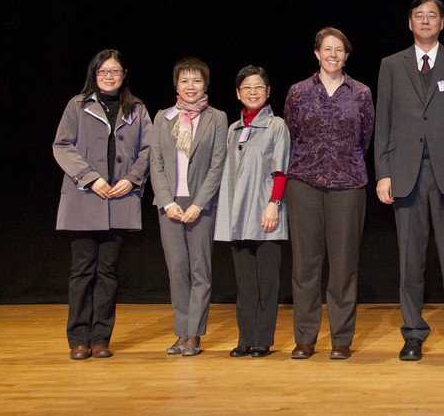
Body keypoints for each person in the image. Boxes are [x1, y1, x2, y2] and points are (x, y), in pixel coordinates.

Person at [375, 0, 444, 362]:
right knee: (410, 261)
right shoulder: (391, 65)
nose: (425, 21)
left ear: (442, 23)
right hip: (406, 175)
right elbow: (384, 124)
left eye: (432, 15)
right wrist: (383, 172)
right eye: (418, 16)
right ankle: (413, 333)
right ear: (409, 23)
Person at [53, 49, 151, 360]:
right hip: (86, 197)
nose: (109, 76)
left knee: (108, 272)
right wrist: (90, 177)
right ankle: (79, 338)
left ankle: (101, 338)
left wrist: (133, 178)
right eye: (102, 72)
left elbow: (149, 149)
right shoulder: (78, 105)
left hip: (119, 198)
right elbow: (62, 145)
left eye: (115, 71)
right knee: (82, 270)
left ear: (124, 75)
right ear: (94, 75)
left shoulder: (136, 108)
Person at [283, 27, 375, 360]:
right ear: (317, 53)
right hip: (304, 184)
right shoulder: (298, 92)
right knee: (305, 265)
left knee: (344, 265)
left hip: (348, 186)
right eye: (327, 49)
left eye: (339, 50)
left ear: (346, 55)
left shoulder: (361, 93)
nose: (333, 55)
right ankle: (305, 338)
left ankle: (340, 339)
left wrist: (341, 162)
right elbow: (291, 134)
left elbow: (365, 138)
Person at [149, 57, 228, 357]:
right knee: (177, 270)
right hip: (169, 204)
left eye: (196, 80)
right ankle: (181, 332)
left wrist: (199, 203)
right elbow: (155, 163)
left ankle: (195, 333)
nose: (191, 86)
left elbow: (218, 163)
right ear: (176, 85)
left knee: (200, 270)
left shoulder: (216, 118)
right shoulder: (162, 117)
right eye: (185, 81)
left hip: (201, 205)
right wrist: (167, 202)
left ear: (205, 84)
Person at [214, 65, 291, 358]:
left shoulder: (276, 126)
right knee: (245, 283)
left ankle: (262, 339)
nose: (253, 92)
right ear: (238, 93)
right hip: (237, 215)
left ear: (268, 91)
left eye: (259, 87)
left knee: (267, 282)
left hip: (265, 213)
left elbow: (281, 169)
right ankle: (245, 338)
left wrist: (273, 203)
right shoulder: (234, 130)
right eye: (247, 88)